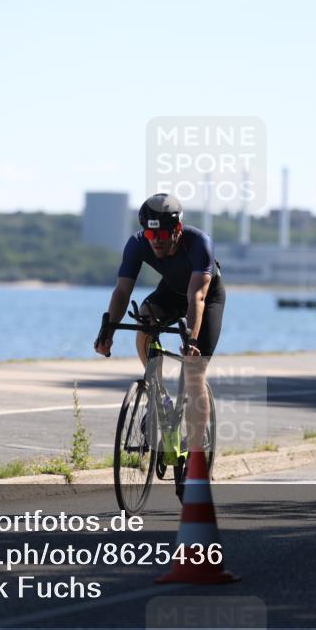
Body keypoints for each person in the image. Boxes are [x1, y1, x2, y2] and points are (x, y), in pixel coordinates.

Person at [93, 193, 226, 470]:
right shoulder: (138, 243)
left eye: (163, 235)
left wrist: (191, 338)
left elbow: (197, 298)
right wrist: (108, 329)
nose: (156, 241)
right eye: (150, 234)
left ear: (177, 230)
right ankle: (159, 395)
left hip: (205, 297)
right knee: (143, 317)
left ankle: (197, 457)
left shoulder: (199, 243)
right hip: (171, 293)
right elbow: (122, 290)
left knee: (194, 370)